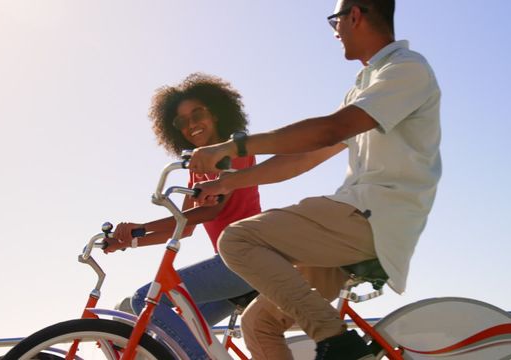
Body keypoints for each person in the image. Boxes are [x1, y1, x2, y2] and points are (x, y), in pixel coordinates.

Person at [188, 0, 442, 359]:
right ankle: (335, 339)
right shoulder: (366, 86)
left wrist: (236, 144)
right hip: (352, 223)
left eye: (334, 20)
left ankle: (337, 341)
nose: (335, 31)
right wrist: (228, 182)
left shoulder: (405, 70)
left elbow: (328, 131)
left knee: (237, 239)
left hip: (373, 218)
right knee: (257, 325)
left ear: (354, 14)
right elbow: (304, 157)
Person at [102, 73, 262, 360]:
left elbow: (211, 210)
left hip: (245, 260)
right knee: (169, 337)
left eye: (197, 114)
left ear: (216, 112)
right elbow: (183, 225)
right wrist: (130, 241)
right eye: (181, 122)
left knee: (144, 300)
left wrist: (141, 227)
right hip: (230, 269)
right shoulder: (196, 168)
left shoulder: (234, 151)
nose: (191, 125)